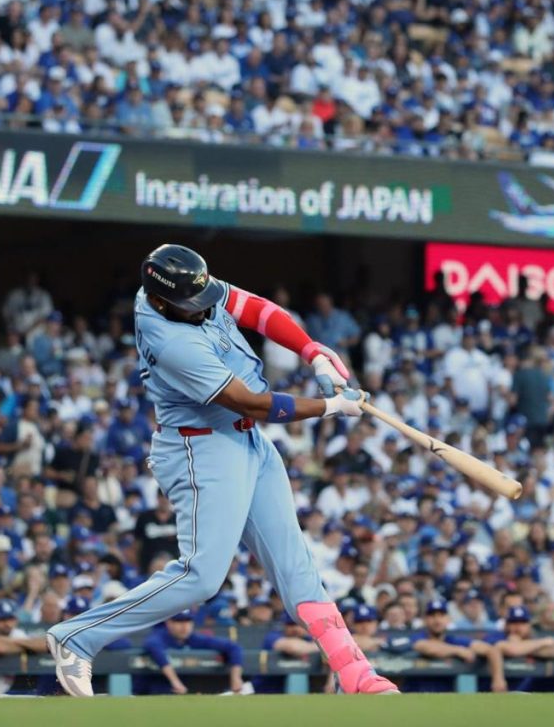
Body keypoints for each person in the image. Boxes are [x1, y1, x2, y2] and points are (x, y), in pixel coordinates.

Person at [47, 244, 396, 696]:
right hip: (202, 448)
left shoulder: (186, 288)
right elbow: (250, 402)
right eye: (192, 305)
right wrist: (330, 406)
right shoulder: (170, 340)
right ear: (159, 301)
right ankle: (77, 636)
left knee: (297, 567)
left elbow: (257, 309)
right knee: (201, 577)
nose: (204, 308)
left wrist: (312, 352)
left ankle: (356, 674)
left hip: (246, 440)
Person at [135, 610, 248, 695]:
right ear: (168, 623)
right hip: (150, 689)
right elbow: (153, 647)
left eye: (188, 621)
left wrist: (236, 677)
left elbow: (234, 647)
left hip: (184, 689)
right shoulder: (160, 636)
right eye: (179, 622)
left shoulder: (193, 638)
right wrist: (175, 681)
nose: (184, 626)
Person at [408, 599, 506, 693]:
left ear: (448, 619)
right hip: (416, 693)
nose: (437, 620)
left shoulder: (454, 639)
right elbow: (425, 647)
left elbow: (491, 650)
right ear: (425, 619)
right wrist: (458, 650)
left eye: (441, 615)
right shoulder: (418, 636)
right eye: (432, 615)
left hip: (447, 695)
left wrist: (498, 678)